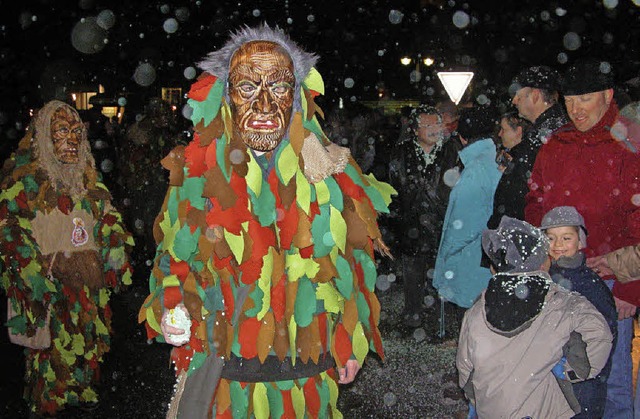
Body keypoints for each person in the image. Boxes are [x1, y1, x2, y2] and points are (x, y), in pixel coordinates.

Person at [138, 24, 395, 418]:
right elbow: (174, 254)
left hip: (305, 368)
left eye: (278, 88)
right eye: (246, 88)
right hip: (228, 367)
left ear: (296, 98)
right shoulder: (198, 174)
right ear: (226, 98)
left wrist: (349, 341)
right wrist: (173, 303)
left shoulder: (331, 171)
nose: (263, 106)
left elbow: (355, 264)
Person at [0, 100, 134, 416]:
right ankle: (49, 397)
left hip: (87, 281)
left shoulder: (88, 180)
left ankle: (81, 387)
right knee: (48, 347)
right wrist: (29, 272)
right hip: (48, 281)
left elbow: (107, 219)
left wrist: (115, 249)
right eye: (62, 131)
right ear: (45, 136)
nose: (72, 140)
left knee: (86, 338)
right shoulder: (24, 179)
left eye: (76, 132)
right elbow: (9, 228)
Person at [525, 58, 640, 418]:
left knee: (613, 378)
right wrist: (540, 254)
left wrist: (629, 288)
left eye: (585, 99)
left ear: (607, 96)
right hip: (560, 278)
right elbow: (534, 200)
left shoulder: (629, 142)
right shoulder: (556, 144)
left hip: (610, 281)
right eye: (569, 100)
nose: (575, 110)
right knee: (561, 378)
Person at [458, 216, 613, 418]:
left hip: (493, 409)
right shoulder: (562, 303)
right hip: (544, 409)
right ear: (542, 262)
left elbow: (466, 368)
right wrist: (571, 371)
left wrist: (476, 397)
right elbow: (600, 335)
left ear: (493, 268)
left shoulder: (478, 310)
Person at [540, 206, 617, 418]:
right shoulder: (543, 279)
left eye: (566, 238)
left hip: (581, 387)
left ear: (580, 241)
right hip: (550, 385)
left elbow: (603, 340)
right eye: (551, 238)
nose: (558, 245)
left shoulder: (590, 285)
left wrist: (573, 371)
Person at [388, 105, 461, 327]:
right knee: (413, 277)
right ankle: (413, 317)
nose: (433, 129)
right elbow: (393, 188)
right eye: (426, 125)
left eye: (436, 124)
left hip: (443, 225)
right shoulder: (401, 153)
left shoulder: (453, 152)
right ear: (415, 129)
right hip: (411, 227)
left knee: (442, 279)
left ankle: (442, 322)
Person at [433, 105, 501, 310]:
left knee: (472, 314)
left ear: (462, 138)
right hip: (484, 254)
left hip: (470, 258)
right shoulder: (492, 160)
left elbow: (462, 226)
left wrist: (444, 256)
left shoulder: (474, 170)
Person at [487, 111, 532, 228]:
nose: (500, 134)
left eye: (504, 130)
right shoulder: (511, 157)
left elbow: (511, 200)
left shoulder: (521, 161)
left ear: (518, 131)